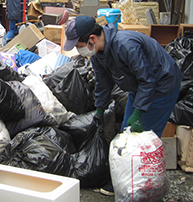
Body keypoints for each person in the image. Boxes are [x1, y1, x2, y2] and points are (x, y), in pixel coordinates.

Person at [63, 15, 182, 196]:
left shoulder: (126, 45)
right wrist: (100, 109)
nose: (79, 51)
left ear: (92, 39)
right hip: (138, 86)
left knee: (142, 137)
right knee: (127, 131)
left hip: (161, 84)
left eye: (78, 45)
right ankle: (125, 179)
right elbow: (103, 83)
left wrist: (140, 112)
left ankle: (142, 188)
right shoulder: (97, 53)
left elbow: (148, 80)